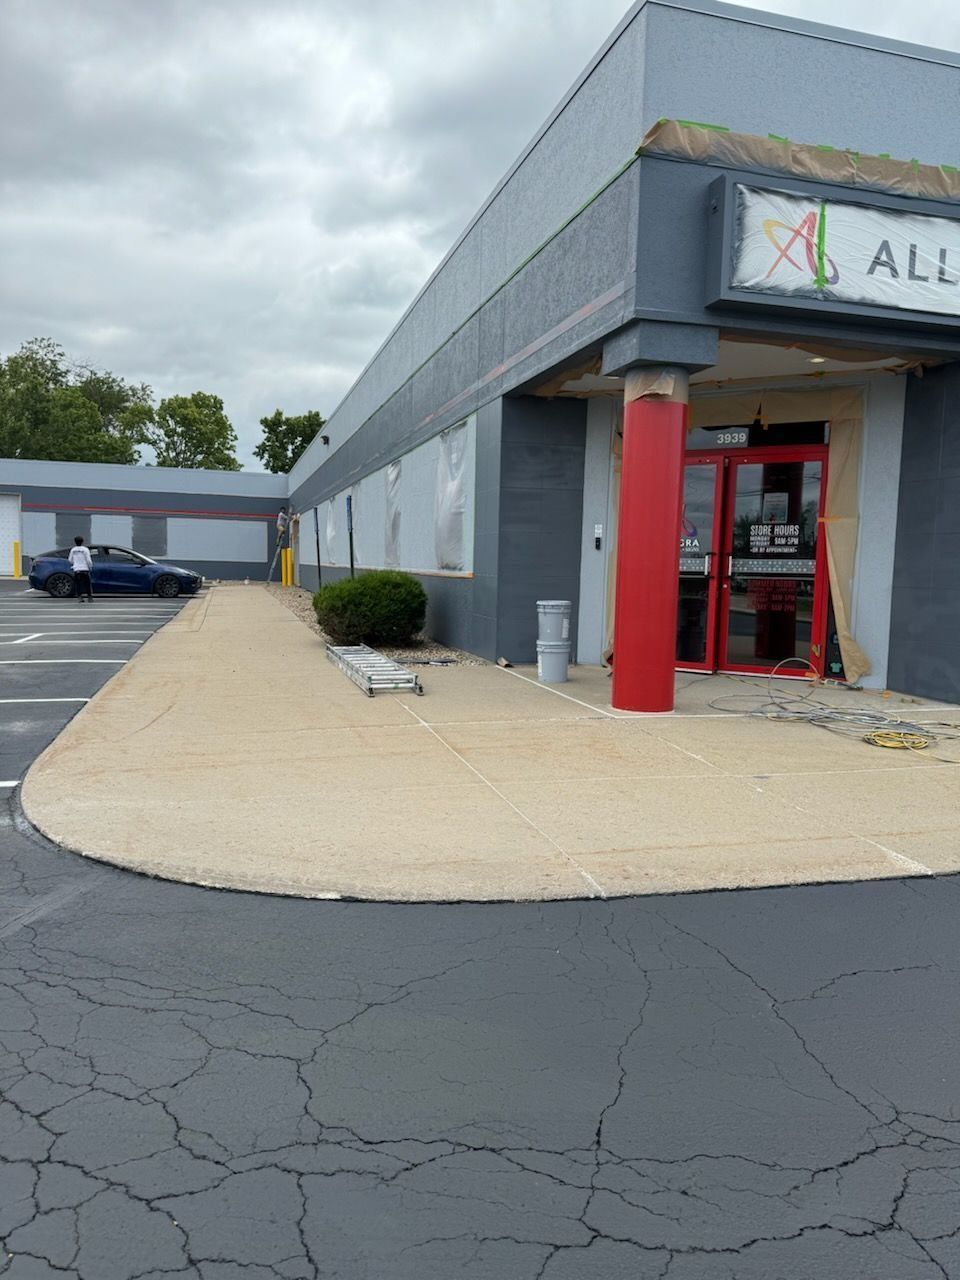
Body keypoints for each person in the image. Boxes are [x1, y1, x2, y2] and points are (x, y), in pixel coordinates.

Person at [68, 535, 93, 603]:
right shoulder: (85, 549)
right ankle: (89, 597)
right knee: (87, 584)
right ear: (82, 541)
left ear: (75, 542)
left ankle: (79, 597)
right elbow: (88, 560)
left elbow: (70, 560)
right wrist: (90, 567)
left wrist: (75, 564)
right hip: (85, 569)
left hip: (77, 569)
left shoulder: (73, 550)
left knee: (78, 584)